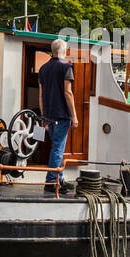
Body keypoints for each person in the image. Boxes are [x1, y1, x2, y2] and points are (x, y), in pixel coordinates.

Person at [37, 37, 78, 196]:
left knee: (56, 147)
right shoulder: (66, 67)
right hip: (62, 115)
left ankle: (59, 179)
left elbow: (41, 95)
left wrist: (43, 116)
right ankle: (51, 182)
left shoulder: (43, 69)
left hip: (48, 115)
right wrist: (74, 116)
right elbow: (68, 92)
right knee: (58, 148)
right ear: (64, 51)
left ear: (52, 51)